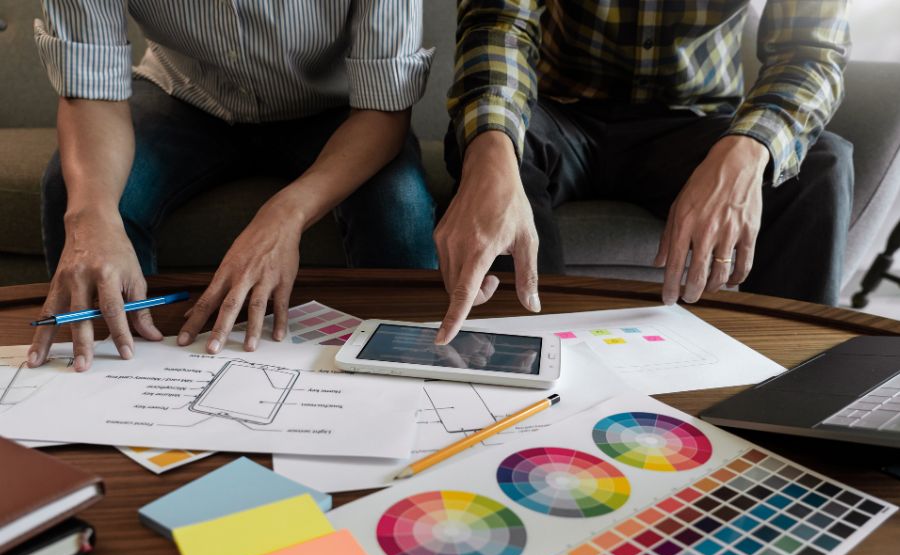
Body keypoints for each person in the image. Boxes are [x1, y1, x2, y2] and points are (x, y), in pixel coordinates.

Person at [28, 0, 437, 371]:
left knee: (400, 207)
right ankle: (124, 383)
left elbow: (385, 107)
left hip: (342, 111)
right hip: (188, 94)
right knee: (75, 195)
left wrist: (286, 214)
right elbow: (91, 88)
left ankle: (408, 375)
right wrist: (92, 214)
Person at [434, 0, 853, 345]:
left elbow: (810, 52)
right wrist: (493, 144)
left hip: (693, 125)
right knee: (490, 146)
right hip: (559, 113)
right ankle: (524, 361)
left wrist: (748, 150)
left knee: (820, 167)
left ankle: (792, 379)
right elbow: (499, 22)